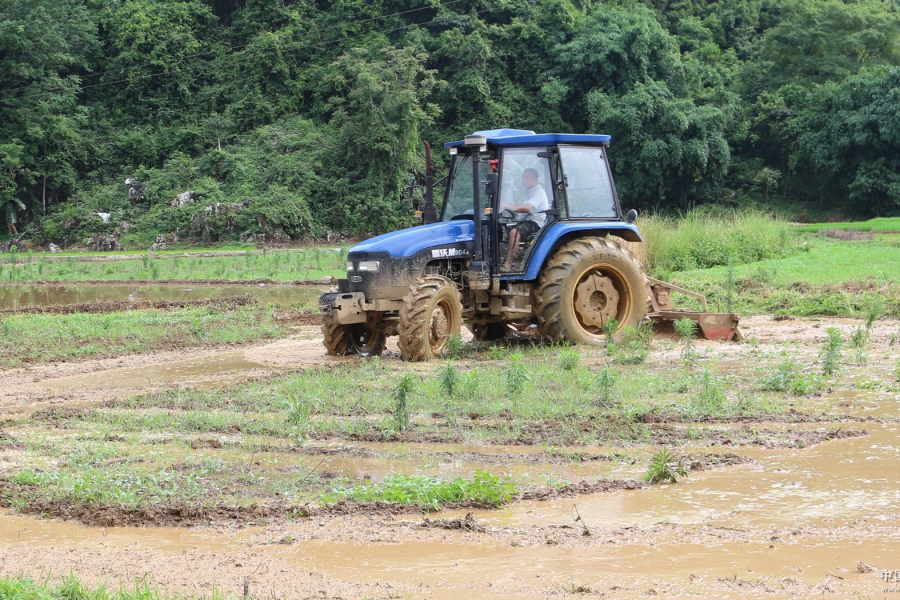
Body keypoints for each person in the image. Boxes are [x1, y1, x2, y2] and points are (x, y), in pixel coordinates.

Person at [500, 167, 549, 269]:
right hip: (526, 221)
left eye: (526, 177)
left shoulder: (538, 192)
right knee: (501, 230)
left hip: (535, 222)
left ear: (534, 179)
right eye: (523, 177)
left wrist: (506, 206)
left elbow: (527, 209)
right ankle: (502, 257)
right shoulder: (529, 192)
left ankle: (509, 264)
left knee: (514, 232)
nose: (523, 180)